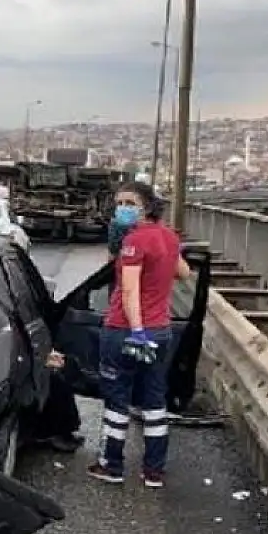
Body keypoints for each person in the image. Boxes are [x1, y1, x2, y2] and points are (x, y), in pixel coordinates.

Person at [86, 181, 192, 489]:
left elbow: (129, 290)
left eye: (129, 203)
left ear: (146, 206)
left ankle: (112, 465)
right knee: (154, 400)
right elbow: (183, 272)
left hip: (125, 331)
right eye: (119, 203)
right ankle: (154, 471)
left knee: (117, 400)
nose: (122, 209)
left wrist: (136, 330)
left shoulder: (133, 242)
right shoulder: (169, 237)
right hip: (161, 332)